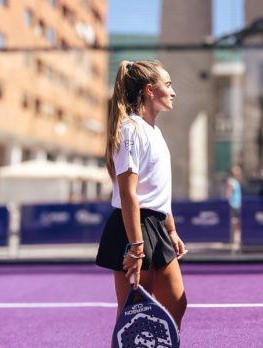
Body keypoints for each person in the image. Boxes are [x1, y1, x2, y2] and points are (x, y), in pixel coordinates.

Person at [95, 60, 188, 337]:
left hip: (156, 226)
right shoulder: (130, 130)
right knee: (133, 318)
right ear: (150, 90)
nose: (173, 92)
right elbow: (128, 193)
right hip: (133, 229)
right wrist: (136, 247)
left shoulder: (154, 131)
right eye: (168, 85)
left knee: (176, 304)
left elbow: (157, 189)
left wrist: (170, 229)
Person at [225, 164, 243, 249]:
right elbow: (228, 194)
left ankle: (237, 241)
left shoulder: (236, 181)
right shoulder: (231, 181)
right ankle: (233, 242)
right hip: (233, 205)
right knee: (234, 223)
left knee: (238, 224)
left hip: (238, 205)